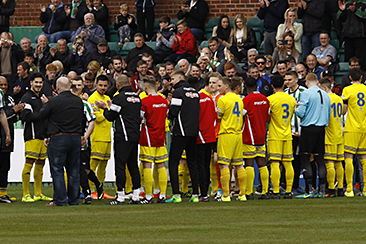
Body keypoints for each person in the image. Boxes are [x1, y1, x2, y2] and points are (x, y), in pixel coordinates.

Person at [95, 74, 142, 204]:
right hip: (135, 134)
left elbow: (111, 116)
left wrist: (104, 108)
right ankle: (136, 194)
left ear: (118, 85)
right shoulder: (137, 98)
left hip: (123, 135)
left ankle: (120, 195)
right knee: (133, 165)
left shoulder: (119, 97)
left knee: (120, 165)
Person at [39, 77, 84, 206]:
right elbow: (82, 119)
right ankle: (73, 199)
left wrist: (45, 104)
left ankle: (60, 199)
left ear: (57, 87)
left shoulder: (54, 101)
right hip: (75, 137)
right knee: (74, 170)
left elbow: (42, 116)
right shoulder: (78, 101)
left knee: (57, 169)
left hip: (59, 137)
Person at [165, 70, 200, 203]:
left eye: (172, 79)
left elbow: (173, 112)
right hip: (193, 132)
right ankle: (195, 194)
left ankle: (176, 194)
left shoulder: (178, 92)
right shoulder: (195, 92)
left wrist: (168, 108)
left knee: (173, 162)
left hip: (180, 132)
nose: (171, 81)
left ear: (180, 78)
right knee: (192, 163)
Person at [295, 73, 330, 198]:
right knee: (320, 159)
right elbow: (328, 115)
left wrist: (295, 108)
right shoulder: (326, 95)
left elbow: (301, 113)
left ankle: (309, 189)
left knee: (305, 157)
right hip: (321, 129)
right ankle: (321, 189)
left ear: (307, 82)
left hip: (308, 129)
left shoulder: (306, 94)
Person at [19, 73, 52, 203]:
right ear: (31, 83)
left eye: (40, 82)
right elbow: (26, 116)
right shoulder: (27, 98)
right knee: (29, 163)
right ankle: (26, 194)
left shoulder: (42, 97)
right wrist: (44, 109)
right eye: (36, 82)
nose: (38, 85)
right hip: (32, 135)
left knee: (41, 164)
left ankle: (38, 193)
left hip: (43, 136)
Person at [70, 78, 103, 204]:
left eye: (79, 85)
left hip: (82, 142)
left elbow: (92, 122)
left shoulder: (85, 104)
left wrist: (85, 137)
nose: (77, 88)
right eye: (74, 85)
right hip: (70, 140)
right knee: (77, 168)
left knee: (83, 168)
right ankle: (86, 190)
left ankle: (88, 191)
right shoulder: (68, 103)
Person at [137, 76, 169, 204]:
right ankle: (162, 194)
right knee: (161, 165)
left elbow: (140, 118)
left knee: (147, 165)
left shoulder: (145, 102)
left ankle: (149, 195)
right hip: (161, 137)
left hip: (148, 137)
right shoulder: (164, 101)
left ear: (145, 87)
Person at [215, 77, 247, 202]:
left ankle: (226, 195)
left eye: (219, 85)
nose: (218, 88)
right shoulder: (239, 99)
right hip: (238, 134)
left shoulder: (223, 100)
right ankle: (242, 194)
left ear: (226, 86)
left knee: (224, 165)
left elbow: (219, 116)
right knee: (239, 165)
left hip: (226, 134)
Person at [267, 75, 296, 199]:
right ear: (283, 84)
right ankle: (289, 190)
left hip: (275, 134)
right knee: (288, 163)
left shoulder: (270, 99)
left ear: (272, 86)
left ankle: (276, 190)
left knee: (275, 163)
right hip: (287, 133)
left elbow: (268, 117)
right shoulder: (291, 99)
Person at [242, 77, 270, 199]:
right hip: (262, 135)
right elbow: (268, 116)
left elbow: (240, 116)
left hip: (250, 136)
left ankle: (249, 192)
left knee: (249, 163)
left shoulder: (246, 100)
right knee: (262, 163)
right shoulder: (265, 99)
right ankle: (265, 191)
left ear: (245, 87)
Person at [341, 68, 366, 197]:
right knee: (364, 158)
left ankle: (350, 188)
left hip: (352, 127)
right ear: (361, 77)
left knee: (349, 157)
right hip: (364, 127)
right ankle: (365, 189)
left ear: (350, 78)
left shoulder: (347, 90)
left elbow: (343, 111)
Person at [87, 75, 112, 198]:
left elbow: (111, 116)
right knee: (92, 166)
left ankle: (101, 190)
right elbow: (97, 118)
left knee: (103, 166)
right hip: (96, 137)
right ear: (96, 85)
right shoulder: (92, 99)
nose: (103, 88)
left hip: (107, 136)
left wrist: (106, 109)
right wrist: (107, 108)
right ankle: (92, 191)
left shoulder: (107, 98)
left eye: (105, 85)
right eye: (100, 85)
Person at [319, 77, 344, 197]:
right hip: (339, 133)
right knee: (339, 163)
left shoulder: (326, 99)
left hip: (329, 134)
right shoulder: (338, 98)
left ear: (324, 88)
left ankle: (331, 188)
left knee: (329, 162)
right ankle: (340, 188)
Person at [283, 71, 307, 193]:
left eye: (289, 80)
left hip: (302, 131)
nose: (287, 82)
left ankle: (297, 185)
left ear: (296, 80)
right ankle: (288, 185)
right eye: (285, 80)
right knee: (289, 159)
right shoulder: (284, 94)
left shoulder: (304, 92)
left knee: (300, 159)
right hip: (288, 132)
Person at [195, 76, 216, 202]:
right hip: (209, 135)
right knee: (206, 165)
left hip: (199, 135)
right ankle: (204, 193)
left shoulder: (199, 97)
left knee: (199, 165)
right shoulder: (209, 99)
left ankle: (199, 192)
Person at [0, 76, 19, 203]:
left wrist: (12, 112)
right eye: (1, 85)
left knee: (5, 165)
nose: (3, 87)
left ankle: (3, 193)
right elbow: (5, 114)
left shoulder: (10, 97)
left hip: (7, 136)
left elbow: (13, 116)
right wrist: (13, 110)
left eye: (5, 85)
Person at [338, 0, 366, 69]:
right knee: (348, 60)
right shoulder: (346, 3)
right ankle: (349, 77)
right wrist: (342, 11)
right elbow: (339, 19)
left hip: (361, 37)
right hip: (348, 37)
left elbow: (364, 16)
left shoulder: (364, 3)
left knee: (361, 62)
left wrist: (355, 11)